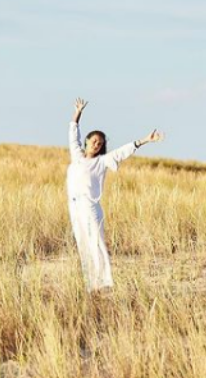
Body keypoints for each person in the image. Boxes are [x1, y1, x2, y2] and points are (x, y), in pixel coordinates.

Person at [67, 97, 163, 293]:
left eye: (99, 143)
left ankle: (105, 282)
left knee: (97, 242)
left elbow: (122, 152)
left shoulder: (103, 161)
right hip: (75, 207)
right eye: (94, 141)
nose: (96, 145)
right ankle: (91, 284)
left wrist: (144, 140)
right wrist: (78, 113)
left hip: (91, 206)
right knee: (83, 243)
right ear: (87, 141)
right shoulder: (76, 155)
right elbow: (72, 134)